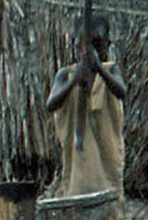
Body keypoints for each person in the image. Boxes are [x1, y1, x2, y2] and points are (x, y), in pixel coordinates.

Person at [47, 15, 127, 198]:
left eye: (97, 44)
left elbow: (121, 92)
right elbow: (51, 104)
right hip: (78, 160)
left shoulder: (111, 70)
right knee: (77, 197)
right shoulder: (66, 75)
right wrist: (75, 80)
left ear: (108, 44)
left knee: (109, 198)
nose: (91, 50)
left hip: (106, 156)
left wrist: (98, 68)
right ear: (77, 46)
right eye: (85, 44)